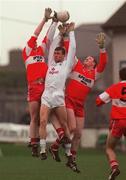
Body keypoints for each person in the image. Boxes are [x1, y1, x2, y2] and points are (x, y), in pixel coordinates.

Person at [49, 32, 107, 172]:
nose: (87, 59)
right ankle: (55, 146)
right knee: (72, 128)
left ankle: (71, 159)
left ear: (93, 64)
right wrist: (67, 37)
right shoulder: (77, 66)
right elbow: (69, 51)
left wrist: (102, 48)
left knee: (79, 134)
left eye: (90, 59)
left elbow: (103, 63)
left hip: (80, 105)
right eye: (86, 58)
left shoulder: (94, 74)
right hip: (69, 100)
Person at [22, 8, 57, 157]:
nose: (35, 43)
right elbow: (36, 34)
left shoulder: (40, 52)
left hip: (45, 87)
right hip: (34, 87)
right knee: (35, 117)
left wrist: (54, 22)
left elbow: (47, 38)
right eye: (33, 43)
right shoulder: (27, 51)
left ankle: (54, 139)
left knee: (46, 117)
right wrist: (44, 19)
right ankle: (33, 143)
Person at [39, 22, 76, 160]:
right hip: (47, 97)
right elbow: (53, 46)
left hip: (59, 99)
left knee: (65, 125)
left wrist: (71, 32)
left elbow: (72, 48)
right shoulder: (50, 64)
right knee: (42, 121)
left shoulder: (66, 66)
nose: (56, 55)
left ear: (63, 55)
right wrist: (60, 34)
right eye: (55, 53)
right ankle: (43, 150)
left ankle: (68, 153)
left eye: (59, 53)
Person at [96, 67, 126, 180]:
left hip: (119, 121)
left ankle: (114, 167)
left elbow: (98, 100)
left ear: (119, 77)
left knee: (109, 148)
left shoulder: (115, 87)